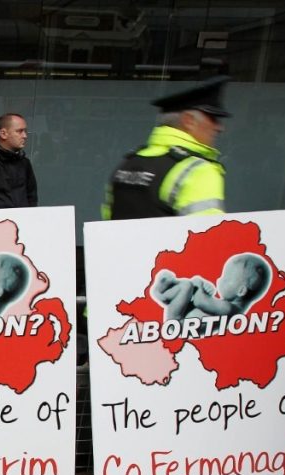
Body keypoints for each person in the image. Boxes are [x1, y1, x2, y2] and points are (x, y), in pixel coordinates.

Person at [103, 76, 230, 220]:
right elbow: (207, 236)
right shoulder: (198, 170)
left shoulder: (128, 164)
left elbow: (108, 223)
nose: (220, 127)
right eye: (213, 118)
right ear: (189, 121)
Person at [151, 254, 270, 322]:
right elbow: (203, 304)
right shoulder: (228, 306)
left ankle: (161, 292)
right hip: (182, 316)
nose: (219, 279)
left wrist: (198, 283)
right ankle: (164, 290)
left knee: (187, 286)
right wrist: (202, 289)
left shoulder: (228, 309)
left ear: (241, 291)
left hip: (177, 322)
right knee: (186, 286)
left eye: (226, 278)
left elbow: (199, 301)